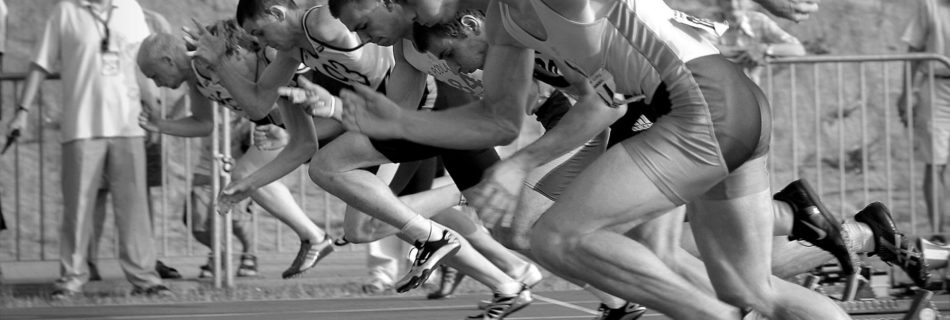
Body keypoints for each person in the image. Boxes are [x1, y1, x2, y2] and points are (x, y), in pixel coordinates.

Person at [335, 0, 854, 318]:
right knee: (751, 287)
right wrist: (400, 122)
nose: (399, 13)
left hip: (701, 101)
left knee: (555, 236)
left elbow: (597, 110)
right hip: (719, 103)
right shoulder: (507, 26)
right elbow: (497, 121)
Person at [137, 20, 334, 279]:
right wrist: (160, 124)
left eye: (154, 76)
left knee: (246, 174)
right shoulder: (196, 78)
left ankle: (315, 237)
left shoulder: (205, 62)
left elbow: (263, 71)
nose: (158, 84)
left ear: (168, 60)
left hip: (301, 108)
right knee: (362, 221)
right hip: (280, 124)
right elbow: (203, 123)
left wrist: (270, 119)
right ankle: (315, 237)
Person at [6, 0, 170, 299]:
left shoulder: (129, 8)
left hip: (129, 125)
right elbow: (40, 62)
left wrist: (154, 110)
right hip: (82, 126)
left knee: (134, 208)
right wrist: (22, 110)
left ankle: (145, 278)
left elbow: (145, 64)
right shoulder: (64, 11)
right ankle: (71, 278)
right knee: (77, 210)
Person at [898, 0, 949, 236]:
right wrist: (906, 92)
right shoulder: (930, 5)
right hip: (936, 85)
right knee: (935, 162)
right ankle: (938, 233)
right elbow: (914, 51)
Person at [713, 0, 806, 85]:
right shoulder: (710, 20)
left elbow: (798, 49)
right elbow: (703, 48)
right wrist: (747, 52)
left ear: (750, 2)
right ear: (719, 2)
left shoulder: (758, 20)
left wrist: (765, 49)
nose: (733, 4)